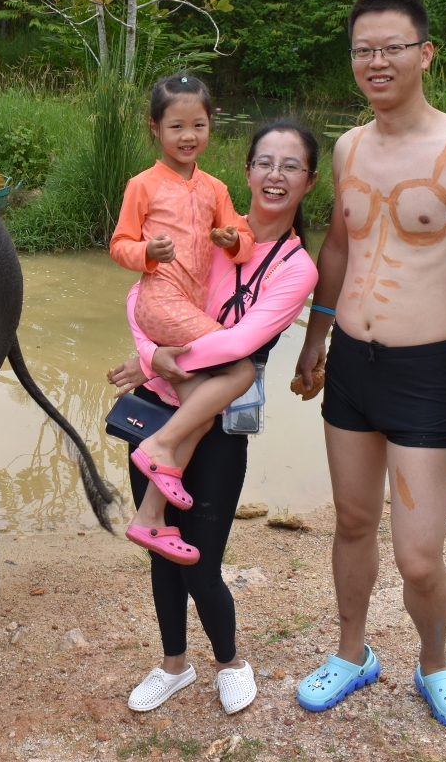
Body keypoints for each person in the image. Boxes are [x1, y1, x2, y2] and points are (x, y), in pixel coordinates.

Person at [291, 0, 446, 729]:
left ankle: (435, 662)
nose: (376, 62)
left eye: (392, 47)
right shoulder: (348, 147)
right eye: (363, 49)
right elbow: (337, 246)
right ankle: (352, 652)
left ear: (426, 53)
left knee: (419, 558)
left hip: (424, 371)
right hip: (352, 369)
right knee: (353, 523)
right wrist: (314, 337)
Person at [108, 121, 320, 717]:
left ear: (308, 181)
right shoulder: (208, 226)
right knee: (159, 548)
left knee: (199, 556)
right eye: (265, 163)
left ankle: (230, 660)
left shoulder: (297, 268)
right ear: (247, 171)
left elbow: (244, 343)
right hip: (158, 401)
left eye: (290, 166)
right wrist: (152, 355)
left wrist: (161, 359)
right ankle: (174, 664)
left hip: (222, 425)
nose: (275, 176)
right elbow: (142, 293)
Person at [109, 74, 257, 561]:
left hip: (187, 310)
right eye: (176, 126)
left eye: (198, 124)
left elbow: (241, 235)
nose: (188, 135)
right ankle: (159, 451)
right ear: (155, 128)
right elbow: (119, 245)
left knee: (202, 404)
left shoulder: (214, 188)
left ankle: (151, 518)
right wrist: (147, 252)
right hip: (160, 300)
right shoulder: (142, 185)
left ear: (211, 124)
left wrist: (232, 241)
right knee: (239, 368)